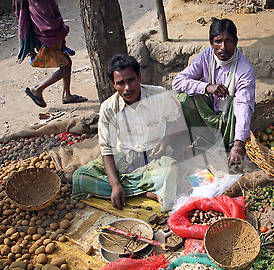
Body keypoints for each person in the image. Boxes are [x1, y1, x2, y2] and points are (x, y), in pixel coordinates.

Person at [72, 54, 182, 211]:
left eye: (131, 80)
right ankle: (145, 191)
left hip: (155, 157)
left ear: (139, 77)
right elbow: (107, 148)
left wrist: (164, 141)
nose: (128, 88)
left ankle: (135, 189)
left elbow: (173, 119)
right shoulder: (108, 108)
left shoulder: (160, 95)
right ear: (113, 84)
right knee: (80, 177)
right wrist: (115, 184)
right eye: (120, 83)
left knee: (169, 173)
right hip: (125, 159)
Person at [172, 17, 255, 168]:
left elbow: (244, 105)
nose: (223, 47)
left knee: (235, 103)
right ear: (211, 43)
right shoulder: (205, 56)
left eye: (228, 41)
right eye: (218, 41)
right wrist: (206, 87)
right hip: (210, 114)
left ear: (235, 41)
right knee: (184, 98)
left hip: (229, 120)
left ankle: (230, 145)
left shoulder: (244, 68)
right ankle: (203, 137)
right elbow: (177, 82)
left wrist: (239, 143)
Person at [14, 0, 87, 107]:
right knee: (65, 67)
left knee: (66, 60)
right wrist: (58, 32)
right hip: (49, 35)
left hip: (48, 34)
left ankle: (67, 95)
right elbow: (47, 20)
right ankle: (37, 89)